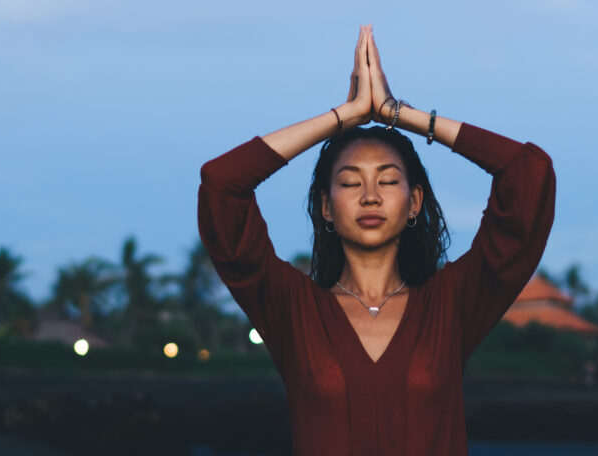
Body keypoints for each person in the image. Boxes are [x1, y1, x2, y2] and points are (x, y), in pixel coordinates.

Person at [198, 26, 555, 455]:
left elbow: (528, 174)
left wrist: (397, 113)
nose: (370, 195)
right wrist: (342, 117)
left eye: (387, 180)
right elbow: (222, 185)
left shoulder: (450, 306)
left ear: (414, 202)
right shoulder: (294, 311)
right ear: (326, 207)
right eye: (350, 183)